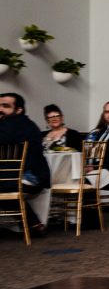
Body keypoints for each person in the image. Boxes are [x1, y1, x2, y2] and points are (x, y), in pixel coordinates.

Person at [0, 92, 50, 234]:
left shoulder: (15, 124)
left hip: (30, 177)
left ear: (19, 110)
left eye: (5, 106)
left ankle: (33, 224)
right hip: (17, 176)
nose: (1, 109)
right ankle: (33, 224)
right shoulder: (19, 123)